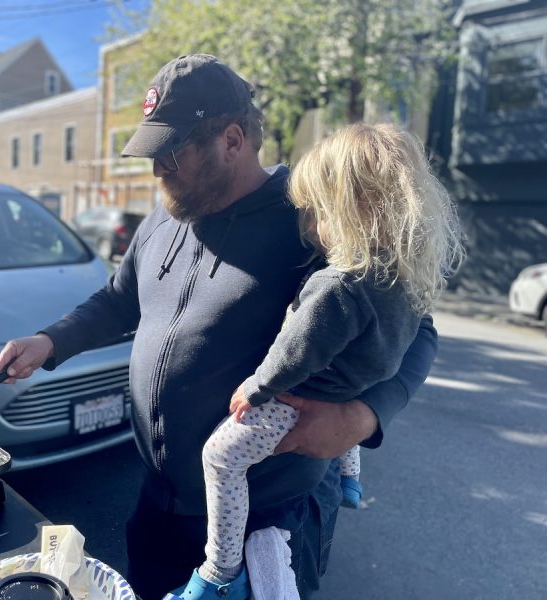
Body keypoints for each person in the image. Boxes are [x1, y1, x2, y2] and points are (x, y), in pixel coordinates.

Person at [0, 54, 438, 600]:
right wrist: (50, 341)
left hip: (265, 521)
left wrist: (365, 416)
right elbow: (118, 300)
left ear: (231, 140)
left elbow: (414, 321)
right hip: (157, 508)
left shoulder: (310, 211)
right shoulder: (163, 218)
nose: (157, 171)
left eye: (171, 154)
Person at [168, 123, 464, 600]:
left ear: (354, 209)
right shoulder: (400, 279)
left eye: (320, 211)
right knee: (347, 388)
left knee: (220, 458)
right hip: (347, 385)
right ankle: (351, 479)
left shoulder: (339, 284)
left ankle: (220, 570)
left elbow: (294, 352)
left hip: (298, 399)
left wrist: (255, 388)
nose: (311, 225)